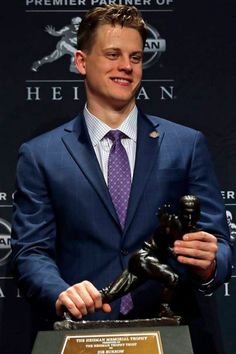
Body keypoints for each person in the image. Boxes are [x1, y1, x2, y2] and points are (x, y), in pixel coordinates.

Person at [11, 5, 232, 354]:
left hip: (174, 336)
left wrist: (210, 262)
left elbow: (218, 243)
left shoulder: (186, 145)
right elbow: (30, 252)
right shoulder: (41, 154)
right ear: (81, 62)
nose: (126, 67)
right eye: (113, 54)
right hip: (83, 335)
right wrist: (60, 290)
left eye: (136, 57)